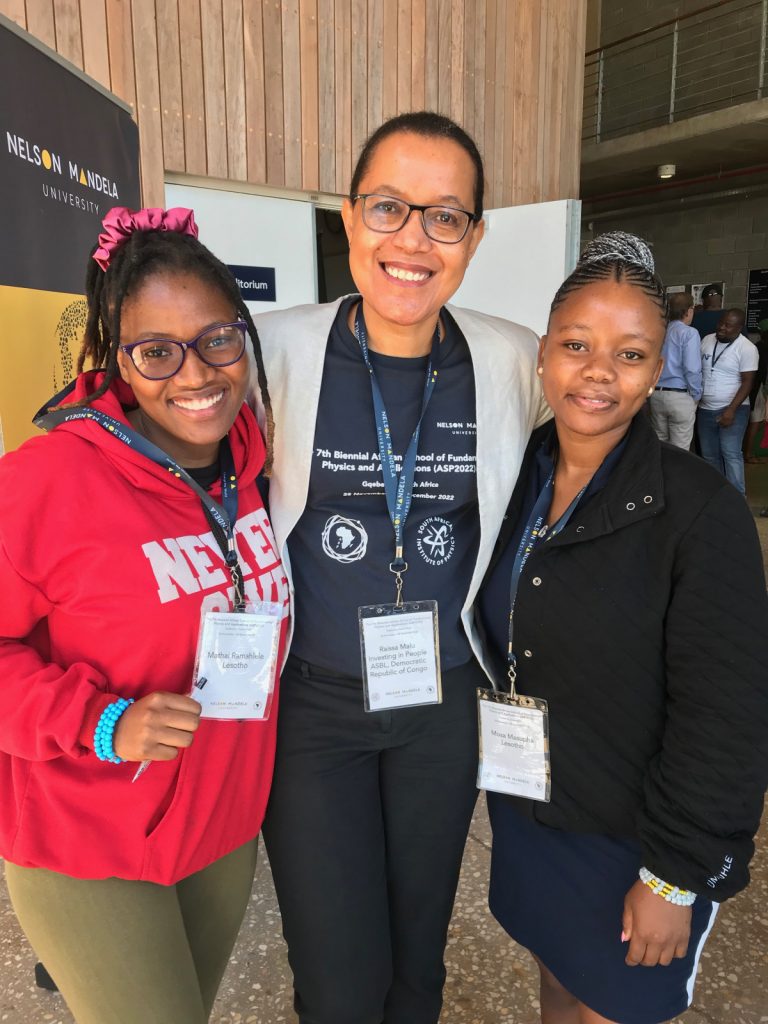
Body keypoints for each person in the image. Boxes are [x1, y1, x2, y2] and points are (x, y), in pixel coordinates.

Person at [250, 111, 548, 1024]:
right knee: (338, 973)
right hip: (314, 706)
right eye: (388, 207)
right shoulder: (272, 349)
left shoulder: (511, 359)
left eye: (444, 216)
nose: (412, 240)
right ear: (348, 217)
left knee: (419, 958)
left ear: (474, 237)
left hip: (444, 704)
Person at [0, 207, 289, 1024]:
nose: (196, 375)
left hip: (221, 827)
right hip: (87, 838)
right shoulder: (46, 481)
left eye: (217, 340)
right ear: (117, 358)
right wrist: (101, 722)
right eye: (157, 351)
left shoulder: (255, 464)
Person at [477, 232, 768, 1024]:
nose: (599, 371)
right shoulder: (514, 475)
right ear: (544, 353)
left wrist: (675, 877)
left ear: (657, 369)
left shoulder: (697, 511)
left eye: (630, 354)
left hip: (636, 840)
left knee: (614, 1005)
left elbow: (727, 716)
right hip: (533, 810)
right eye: (577, 345)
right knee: (559, 983)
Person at [697, 307, 758, 494]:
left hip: (734, 409)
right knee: (709, 455)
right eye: (721, 323)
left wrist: (731, 410)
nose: (722, 328)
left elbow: (748, 382)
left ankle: (737, 498)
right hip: (705, 409)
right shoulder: (707, 340)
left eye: (728, 325)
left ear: (739, 328)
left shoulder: (747, 348)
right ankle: (717, 496)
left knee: (731, 454)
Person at [648, 291, 701, 449]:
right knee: (680, 449)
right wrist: (696, 394)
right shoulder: (689, 333)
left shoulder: (659, 332)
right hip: (680, 396)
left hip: (657, 394)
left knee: (660, 444)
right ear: (689, 311)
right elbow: (692, 368)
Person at [744, 317, 768, 463]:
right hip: (757, 390)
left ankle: (746, 450)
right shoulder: (762, 349)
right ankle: (748, 454)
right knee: (756, 422)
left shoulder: (757, 347)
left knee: (757, 422)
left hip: (754, 389)